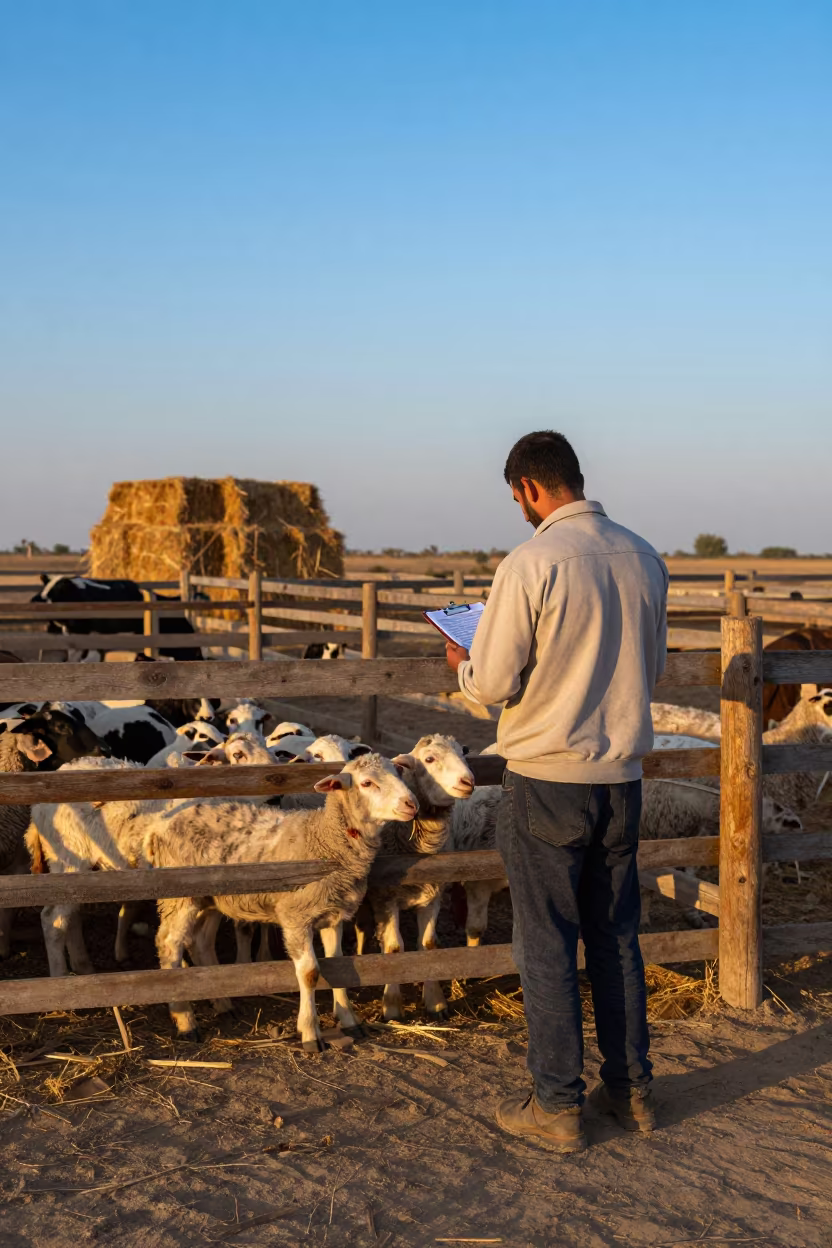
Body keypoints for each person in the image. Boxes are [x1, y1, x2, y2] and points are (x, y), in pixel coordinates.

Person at [445, 430, 668, 1154]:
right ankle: (633, 1095)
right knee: (617, 937)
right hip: (622, 777)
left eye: (518, 499)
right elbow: (651, 665)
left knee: (545, 943)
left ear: (531, 489)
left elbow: (496, 682)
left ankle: (558, 1106)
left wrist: (463, 663)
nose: (521, 510)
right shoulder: (644, 555)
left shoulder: (531, 561)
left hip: (546, 778)